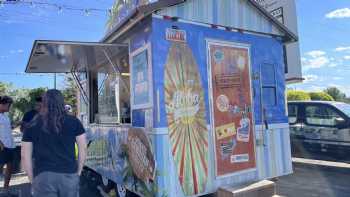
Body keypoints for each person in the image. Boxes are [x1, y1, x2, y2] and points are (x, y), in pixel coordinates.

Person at [21, 89, 87, 197]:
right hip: (69, 175)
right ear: (62, 102)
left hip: (42, 176)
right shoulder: (74, 122)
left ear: (44, 102)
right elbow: (83, 149)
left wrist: (32, 179)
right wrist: (78, 172)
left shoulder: (32, 124)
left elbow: (24, 156)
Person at [0, 96, 16, 196]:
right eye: (8, 105)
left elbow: (6, 128)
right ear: (2, 104)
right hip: (2, 146)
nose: (9, 107)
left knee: (10, 168)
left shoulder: (5, 115)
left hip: (10, 145)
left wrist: (14, 125)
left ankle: (6, 190)